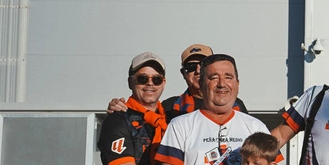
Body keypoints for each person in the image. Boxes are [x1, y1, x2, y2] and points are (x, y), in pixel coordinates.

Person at [105, 43, 248, 121]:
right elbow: (140, 113)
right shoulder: (169, 107)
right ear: (183, 73)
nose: (198, 71)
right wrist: (119, 108)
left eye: (203, 65)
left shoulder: (236, 104)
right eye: (191, 67)